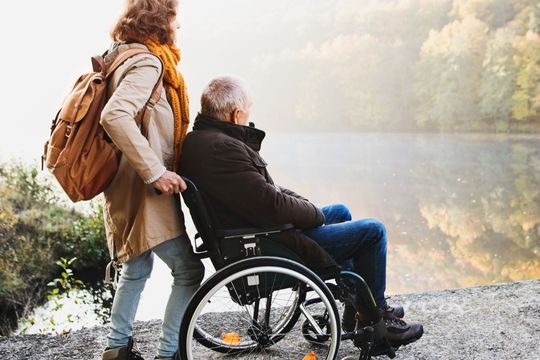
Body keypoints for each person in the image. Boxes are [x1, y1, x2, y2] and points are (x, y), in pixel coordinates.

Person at [179, 75, 424, 348]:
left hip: (257, 231)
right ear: (237, 114)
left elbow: (263, 192)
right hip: (267, 243)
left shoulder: (202, 141)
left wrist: (307, 208)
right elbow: (271, 204)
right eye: (248, 112)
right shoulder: (223, 148)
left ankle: (359, 308)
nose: (249, 118)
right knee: (373, 231)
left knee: (340, 211)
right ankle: (378, 320)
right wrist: (313, 213)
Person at [99, 1, 204, 359]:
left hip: (121, 182)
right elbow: (115, 116)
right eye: (174, 16)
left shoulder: (119, 53)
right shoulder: (147, 61)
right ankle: (168, 352)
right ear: (164, 20)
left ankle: (117, 348)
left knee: (137, 264)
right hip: (144, 184)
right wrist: (156, 171)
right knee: (189, 271)